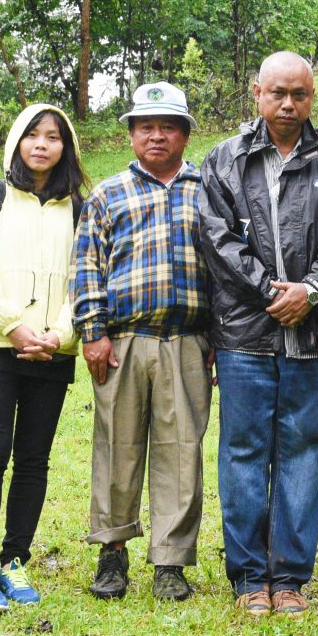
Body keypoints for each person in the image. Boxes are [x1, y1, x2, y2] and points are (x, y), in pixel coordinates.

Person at [196, 52, 318, 616]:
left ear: (312, 96)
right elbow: (218, 242)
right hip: (245, 335)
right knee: (243, 453)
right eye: (278, 93)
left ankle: (290, 577)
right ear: (257, 93)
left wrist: (311, 290)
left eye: (300, 93)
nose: (289, 104)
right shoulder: (224, 160)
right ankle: (249, 578)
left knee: (303, 454)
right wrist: (271, 291)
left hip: (315, 338)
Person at [72, 82, 213, 605]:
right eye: (146, 126)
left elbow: (222, 268)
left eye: (168, 126)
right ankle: (112, 551)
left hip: (188, 340)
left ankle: (171, 561)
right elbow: (87, 266)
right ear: (131, 133)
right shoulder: (108, 194)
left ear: (184, 134)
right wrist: (93, 332)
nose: (157, 135)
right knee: (117, 445)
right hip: (124, 341)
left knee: (182, 453)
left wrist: (218, 337)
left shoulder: (207, 189)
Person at [0, 103, 87, 617]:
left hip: (52, 351)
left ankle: (15, 560)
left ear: (66, 147)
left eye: (53, 137)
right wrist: (15, 327)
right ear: (16, 141)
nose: (41, 144)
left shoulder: (80, 206)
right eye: (32, 134)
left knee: (34, 458)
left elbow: (86, 276)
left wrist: (57, 335)